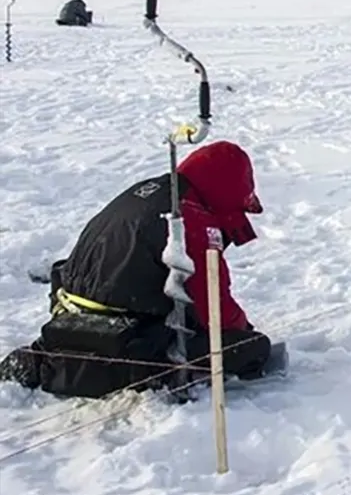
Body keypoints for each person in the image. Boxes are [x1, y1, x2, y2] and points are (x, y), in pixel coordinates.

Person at [0, 140, 273, 399]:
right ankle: (142, 375)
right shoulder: (189, 217)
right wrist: (243, 333)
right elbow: (214, 306)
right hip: (129, 330)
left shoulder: (151, 190)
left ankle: (51, 355)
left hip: (70, 305)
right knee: (250, 348)